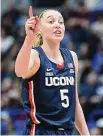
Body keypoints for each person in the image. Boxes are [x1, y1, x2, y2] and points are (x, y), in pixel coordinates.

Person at [15, 6, 90, 135]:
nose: (57, 25)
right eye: (51, 22)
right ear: (39, 29)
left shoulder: (72, 57)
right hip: (41, 131)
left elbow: (75, 103)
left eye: (61, 22)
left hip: (67, 132)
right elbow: (20, 72)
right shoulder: (35, 55)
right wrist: (28, 39)